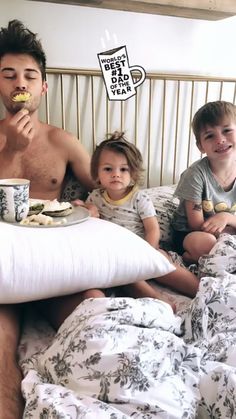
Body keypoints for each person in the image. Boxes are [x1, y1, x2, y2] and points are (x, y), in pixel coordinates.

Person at [0, 19, 102, 419]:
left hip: (54, 265)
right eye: (8, 75)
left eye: (29, 74)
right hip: (6, 267)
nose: (18, 82)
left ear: (43, 86)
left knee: (94, 311)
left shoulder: (63, 140)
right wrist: (11, 149)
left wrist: (95, 205)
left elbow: (105, 186)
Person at [86, 131, 199, 301]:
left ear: (133, 174)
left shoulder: (139, 198)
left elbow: (152, 229)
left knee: (166, 266)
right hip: (116, 254)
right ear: (97, 173)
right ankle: (160, 300)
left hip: (144, 248)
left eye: (123, 169)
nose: (116, 174)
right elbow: (90, 221)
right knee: (127, 277)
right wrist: (85, 209)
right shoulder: (95, 197)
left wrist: (147, 251)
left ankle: (201, 290)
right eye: (108, 169)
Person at [171, 100, 236, 264]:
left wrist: (226, 217)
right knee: (206, 243)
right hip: (191, 234)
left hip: (227, 227)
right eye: (210, 136)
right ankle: (193, 256)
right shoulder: (195, 175)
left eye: (227, 130)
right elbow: (196, 224)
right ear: (201, 146)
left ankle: (217, 258)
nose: (220, 140)